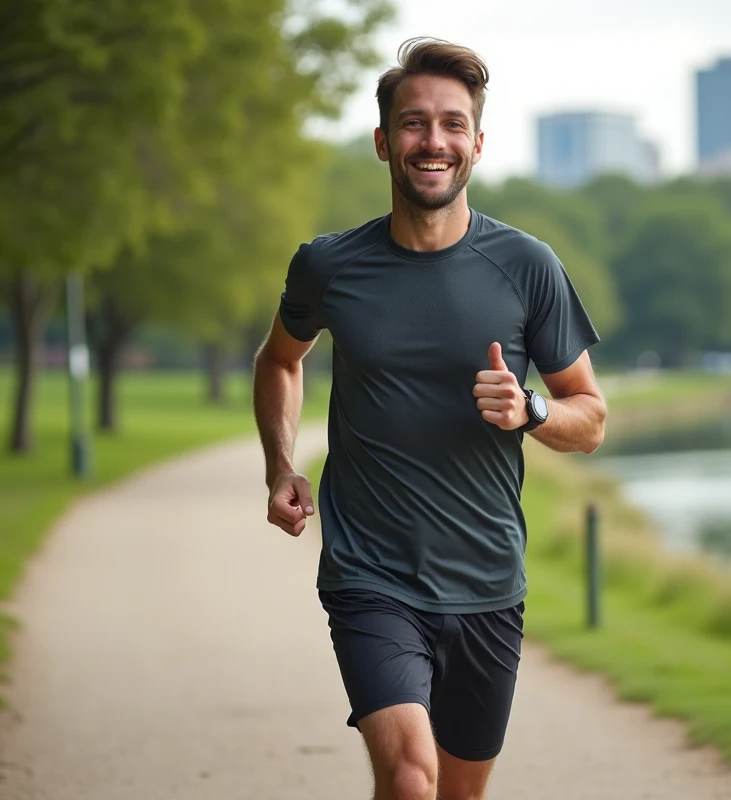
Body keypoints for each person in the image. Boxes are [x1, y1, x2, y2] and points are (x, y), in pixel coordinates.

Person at [252, 36, 607, 800]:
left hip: (486, 581)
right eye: (414, 123)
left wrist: (529, 409)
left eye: (452, 124)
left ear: (477, 144)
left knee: (456, 792)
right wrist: (282, 466)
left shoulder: (526, 267)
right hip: (369, 573)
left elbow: (591, 417)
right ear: (385, 141)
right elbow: (280, 360)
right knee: (411, 778)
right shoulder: (329, 265)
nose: (433, 141)